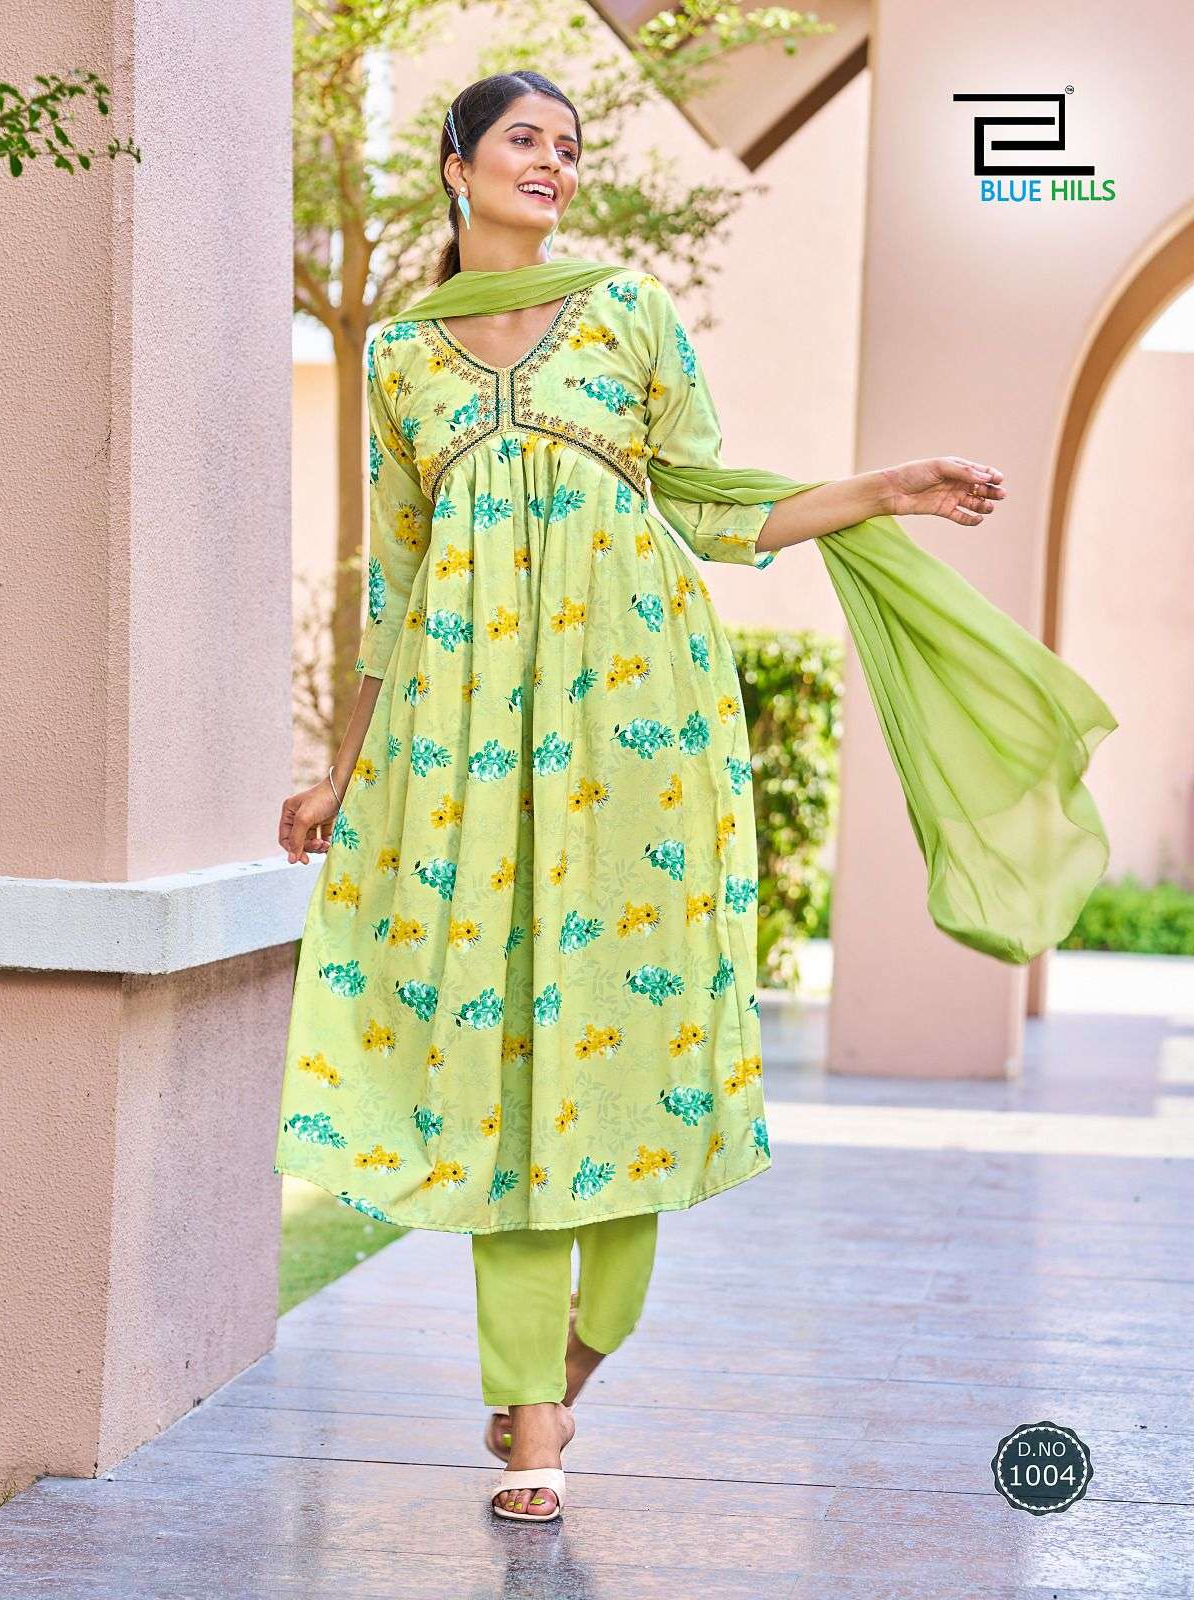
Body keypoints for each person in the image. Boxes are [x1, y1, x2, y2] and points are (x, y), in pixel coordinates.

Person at [274, 70, 1104, 1524]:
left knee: (630, 1046)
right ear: (457, 164)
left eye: (568, 145)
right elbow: (396, 582)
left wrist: (878, 491)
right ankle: (533, 1421)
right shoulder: (399, 356)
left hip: (641, 724)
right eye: (524, 140)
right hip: (467, 743)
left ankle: (581, 1352)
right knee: (499, 1058)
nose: (553, 162)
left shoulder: (630, 313)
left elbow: (714, 507)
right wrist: (338, 769)